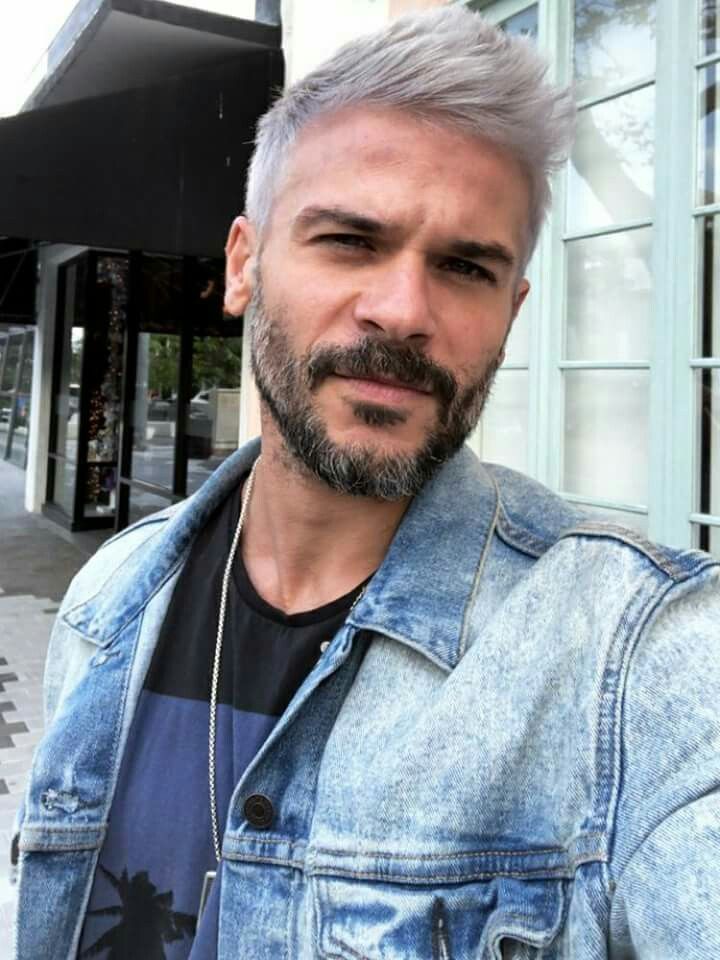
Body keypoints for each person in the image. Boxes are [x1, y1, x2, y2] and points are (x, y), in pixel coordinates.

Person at [13, 7, 720, 959]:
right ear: (244, 266)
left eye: (465, 266)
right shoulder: (109, 601)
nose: (403, 310)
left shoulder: (634, 660)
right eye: (349, 240)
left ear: (512, 312)